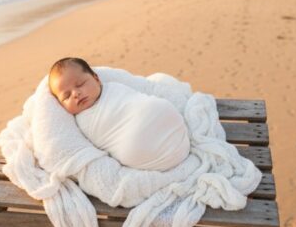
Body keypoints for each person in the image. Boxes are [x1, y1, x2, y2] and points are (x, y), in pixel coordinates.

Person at [47, 57, 191, 171]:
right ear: (60, 105)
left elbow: (137, 99)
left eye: (80, 84)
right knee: (134, 143)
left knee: (157, 107)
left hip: (162, 119)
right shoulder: (80, 124)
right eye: (66, 96)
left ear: (96, 79)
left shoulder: (114, 88)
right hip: (140, 149)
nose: (76, 94)